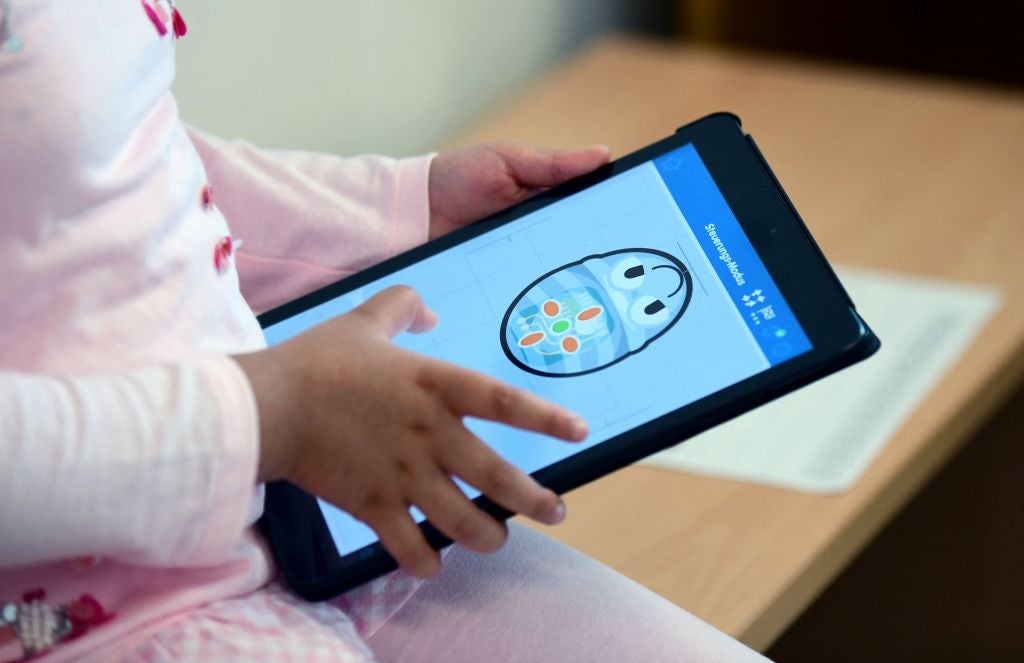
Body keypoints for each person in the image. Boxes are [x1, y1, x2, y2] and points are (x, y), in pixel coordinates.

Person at [0, 2, 769, 661]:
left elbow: (112, 152)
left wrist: (395, 213)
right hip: (89, 618)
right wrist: (266, 416)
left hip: (290, 498)